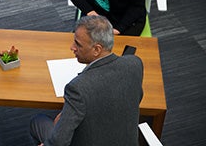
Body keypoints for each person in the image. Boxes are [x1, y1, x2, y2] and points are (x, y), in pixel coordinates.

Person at [30, 15, 143, 145]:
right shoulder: (135, 63)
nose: (72, 47)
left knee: (38, 122)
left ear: (97, 49)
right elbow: (137, 97)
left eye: (78, 44)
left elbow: (58, 142)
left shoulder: (77, 88)